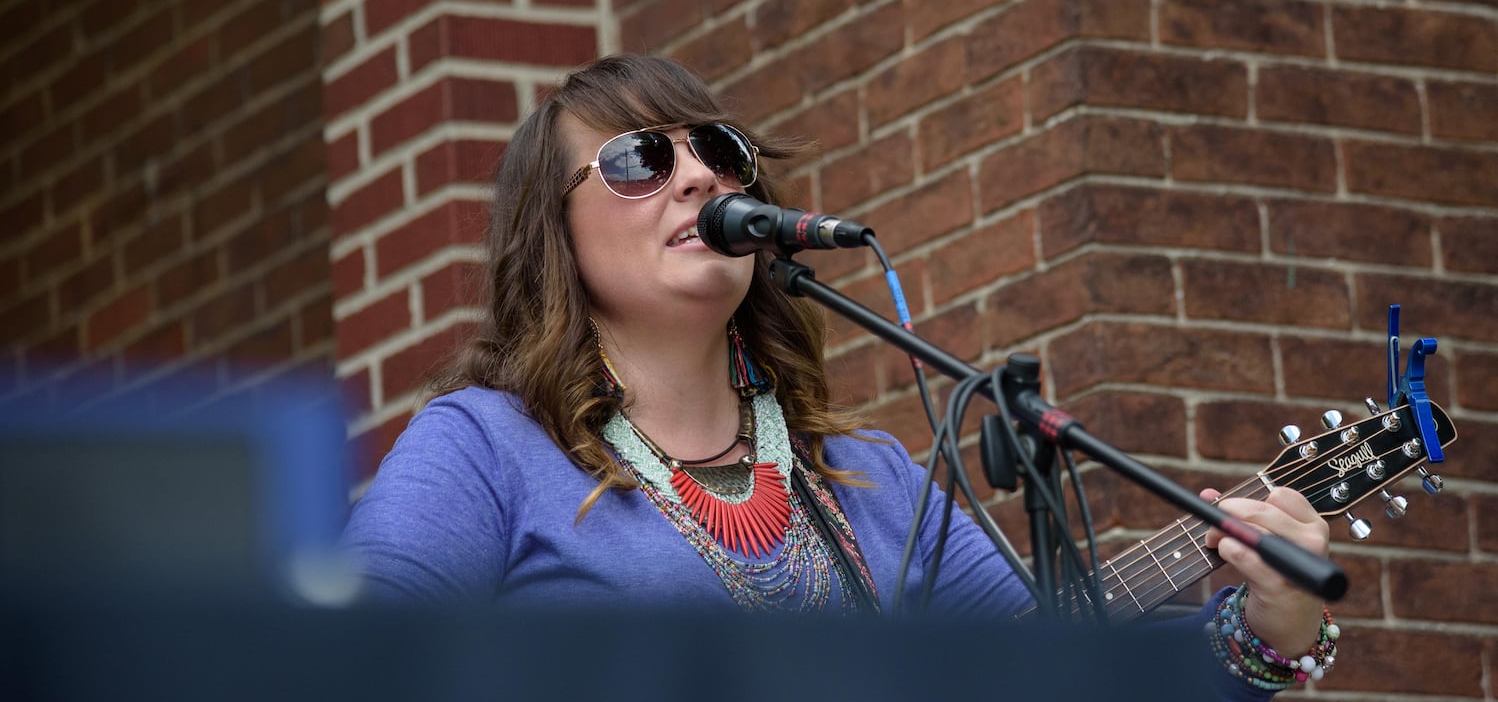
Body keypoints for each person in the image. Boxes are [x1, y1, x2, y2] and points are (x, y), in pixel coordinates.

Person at [342, 54, 1335, 697]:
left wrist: (1265, 626)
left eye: (719, 152)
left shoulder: (874, 476)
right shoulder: (483, 446)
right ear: (552, 232)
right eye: (640, 159)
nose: (697, 176)